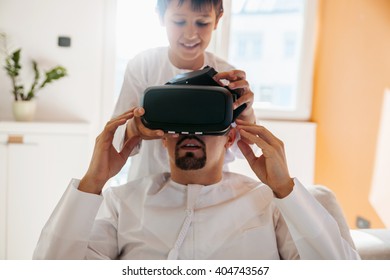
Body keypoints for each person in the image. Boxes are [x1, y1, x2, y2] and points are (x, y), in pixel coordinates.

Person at [33, 108, 360, 260]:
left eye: (204, 121)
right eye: (178, 123)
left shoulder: (269, 203)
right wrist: (94, 181)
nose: (190, 133)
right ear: (162, 138)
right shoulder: (122, 201)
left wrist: (286, 189)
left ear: (231, 136)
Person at [112, 0, 256, 181]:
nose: (190, 34)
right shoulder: (143, 66)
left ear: (218, 19)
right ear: (160, 16)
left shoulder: (227, 75)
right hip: (149, 189)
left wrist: (246, 112)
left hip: (210, 189)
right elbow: (116, 141)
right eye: (179, 22)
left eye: (202, 23)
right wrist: (136, 129)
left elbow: (247, 150)